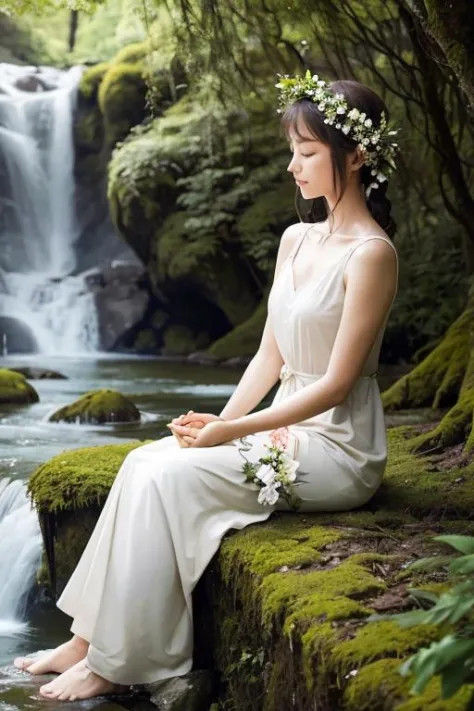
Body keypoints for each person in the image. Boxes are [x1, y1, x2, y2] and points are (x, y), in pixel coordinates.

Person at [14, 71, 399, 701]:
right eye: (291, 152)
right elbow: (269, 357)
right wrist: (212, 424)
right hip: (281, 429)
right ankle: (86, 639)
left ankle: (123, 660)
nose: (292, 166)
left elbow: (336, 384)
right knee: (145, 460)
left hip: (337, 448)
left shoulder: (372, 254)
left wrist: (238, 432)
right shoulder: (296, 238)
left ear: (355, 157)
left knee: (167, 478)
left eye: (306, 153)